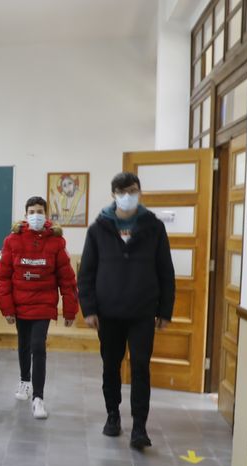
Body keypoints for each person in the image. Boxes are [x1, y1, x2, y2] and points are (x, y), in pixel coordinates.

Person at [77, 172, 175, 450]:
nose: (127, 196)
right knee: (111, 365)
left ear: (139, 191)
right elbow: (86, 273)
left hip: (143, 311)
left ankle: (140, 427)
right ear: (114, 195)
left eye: (132, 190)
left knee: (141, 367)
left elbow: (165, 271)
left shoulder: (153, 227)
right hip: (108, 312)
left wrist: (165, 310)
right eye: (121, 192)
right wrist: (89, 309)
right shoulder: (98, 229)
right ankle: (112, 416)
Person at [0, 196, 78, 420]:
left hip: (43, 304)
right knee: (23, 344)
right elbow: (3, 277)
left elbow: (67, 278)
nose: (35, 215)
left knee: (37, 346)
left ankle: (38, 399)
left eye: (39, 211)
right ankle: (25, 381)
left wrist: (70, 310)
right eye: (31, 211)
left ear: (46, 214)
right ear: (25, 215)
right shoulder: (12, 240)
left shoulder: (56, 242)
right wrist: (7, 309)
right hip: (20, 304)